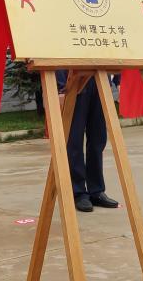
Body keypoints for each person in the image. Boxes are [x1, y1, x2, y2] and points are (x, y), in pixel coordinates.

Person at [55, 71, 120, 213]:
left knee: (98, 140)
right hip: (74, 80)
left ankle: (96, 190)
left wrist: (116, 80)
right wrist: (61, 87)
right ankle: (78, 192)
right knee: (74, 141)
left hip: (100, 80)